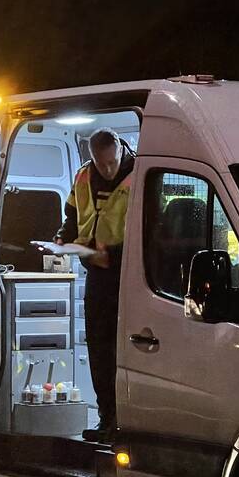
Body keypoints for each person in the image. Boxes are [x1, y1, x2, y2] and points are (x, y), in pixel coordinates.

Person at [55, 127, 135, 442]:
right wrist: (63, 237)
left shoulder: (139, 175)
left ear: (120, 152)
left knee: (124, 351)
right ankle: (106, 419)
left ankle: (123, 421)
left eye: (110, 163)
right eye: (99, 164)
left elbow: (151, 232)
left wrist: (113, 256)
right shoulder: (83, 177)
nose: (106, 169)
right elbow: (72, 217)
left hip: (128, 274)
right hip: (97, 274)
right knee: (100, 350)